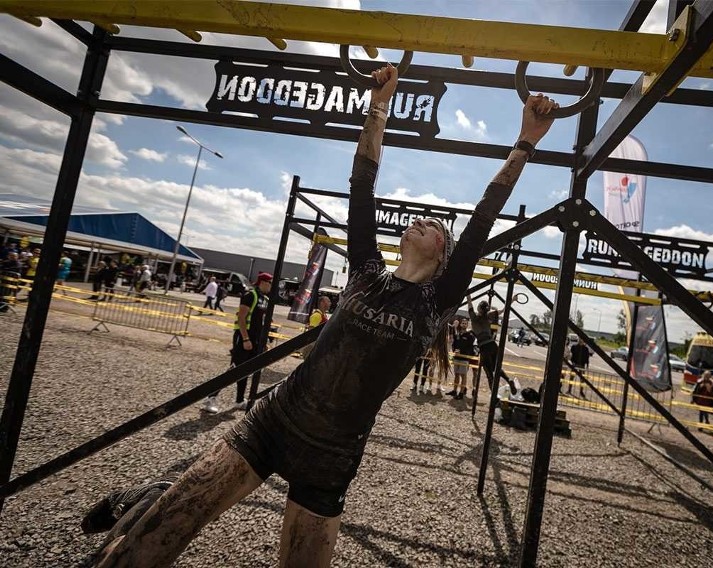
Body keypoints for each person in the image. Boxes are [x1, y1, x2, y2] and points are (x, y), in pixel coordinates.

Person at [92, 65, 558, 568]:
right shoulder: (365, 271)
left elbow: (486, 212)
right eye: (422, 219)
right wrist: (379, 106)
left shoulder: (436, 300)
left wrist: (525, 141)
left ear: (445, 255)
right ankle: (147, 503)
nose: (424, 219)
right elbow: (362, 182)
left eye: (437, 225)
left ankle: (147, 498)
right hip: (275, 418)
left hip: (333, 456)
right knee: (157, 536)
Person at [201, 273, 273, 414]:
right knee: (234, 369)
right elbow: (241, 317)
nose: (272, 286)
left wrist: (262, 343)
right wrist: (245, 339)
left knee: (245, 370)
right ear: (263, 282)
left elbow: (261, 322)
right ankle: (210, 398)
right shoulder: (250, 295)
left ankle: (239, 400)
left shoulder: (265, 299)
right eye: (270, 283)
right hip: (243, 337)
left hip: (255, 340)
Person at [466, 296, 517, 394]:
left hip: (484, 347)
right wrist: (512, 300)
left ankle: (495, 397)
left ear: (479, 309)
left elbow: (469, 303)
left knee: (490, 375)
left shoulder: (474, 317)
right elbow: (503, 309)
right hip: (493, 345)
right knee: (496, 368)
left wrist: (468, 295)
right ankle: (508, 379)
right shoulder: (489, 316)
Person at [449, 318, 477, 400]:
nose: (464, 325)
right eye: (463, 323)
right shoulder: (457, 334)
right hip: (457, 357)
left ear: (467, 325)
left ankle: (461, 393)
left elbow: (470, 348)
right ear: (460, 324)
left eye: (465, 323)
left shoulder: (470, 336)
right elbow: (454, 344)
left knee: (463, 376)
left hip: (464, 359)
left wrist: (462, 352)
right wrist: (454, 350)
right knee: (456, 375)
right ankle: (454, 390)